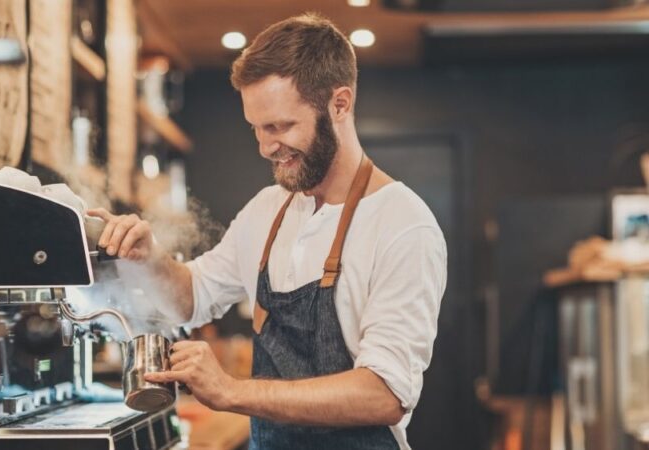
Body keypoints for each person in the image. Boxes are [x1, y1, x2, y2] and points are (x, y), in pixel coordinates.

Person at [87, 13, 447, 450]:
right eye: (256, 129)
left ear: (339, 104)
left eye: (280, 126)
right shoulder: (268, 210)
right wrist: (149, 258)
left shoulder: (404, 224)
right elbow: (192, 299)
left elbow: (384, 395)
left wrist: (232, 391)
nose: (265, 147)